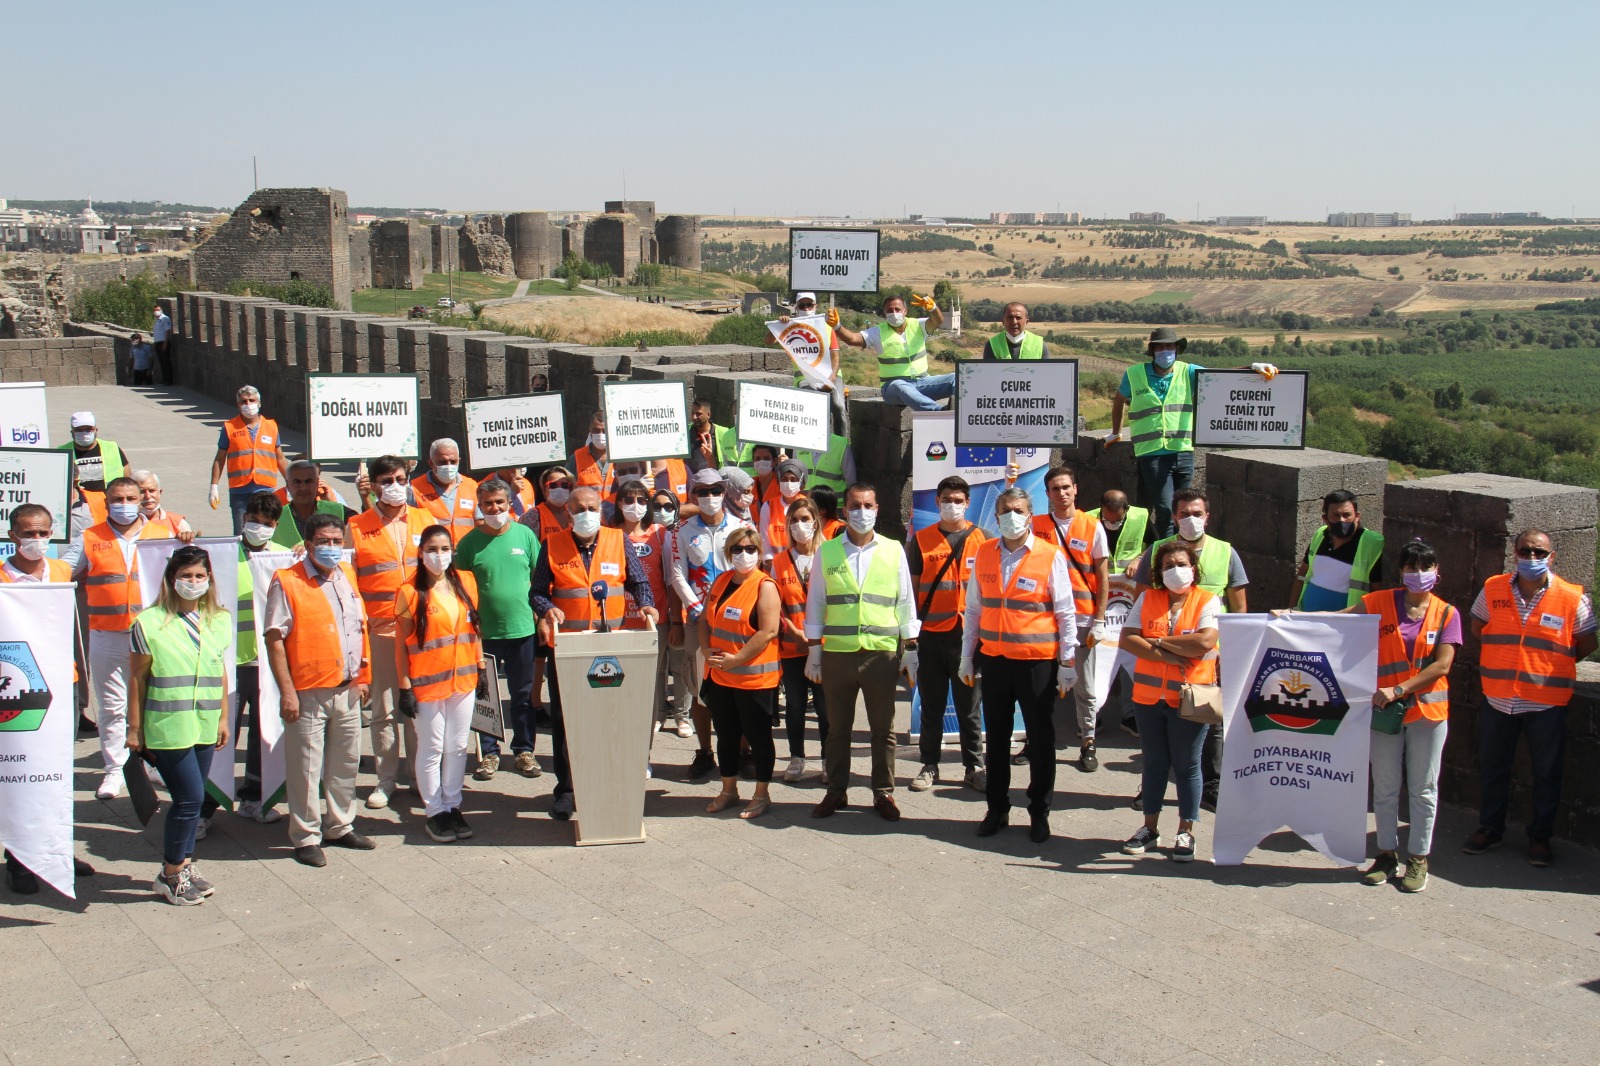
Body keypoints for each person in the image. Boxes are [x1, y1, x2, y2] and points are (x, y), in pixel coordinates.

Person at [1328, 539, 1460, 893]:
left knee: (1423, 788)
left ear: (1437, 572)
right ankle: (1387, 854)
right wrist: (1294, 619)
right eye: (1412, 567)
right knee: (1385, 788)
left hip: (1426, 712)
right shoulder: (1381, 602)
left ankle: (1418, 857)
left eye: (1425, 567)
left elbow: (1443, 665)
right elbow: (1341, 620)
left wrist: (1400, 689)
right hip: (1386, 713)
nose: (1419, 574)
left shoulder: (1447, 613)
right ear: (1401, 572)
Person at [1464, 529, 1597, 867]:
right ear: (1515, 552)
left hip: (1545, 701)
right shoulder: (1493, 588)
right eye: (1526, 551)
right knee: (1494, 768)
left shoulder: (1571, 597)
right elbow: (1478, 626)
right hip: (1498, 697)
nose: (1532, 558)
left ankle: (1540, 837)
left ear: (1552, 557)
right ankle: (1490, 829)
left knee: (1546, 773)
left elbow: (1586, 643)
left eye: (1540, 552)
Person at [531, 486, 657, 818]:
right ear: (569, 513)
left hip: (610, 646)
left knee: (610, 719)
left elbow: (639, 582)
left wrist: (646, 605)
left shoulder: (618, 541)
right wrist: (547, 609)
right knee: (566, 722)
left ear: (600, 511)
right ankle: (568, 791)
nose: (586, 513)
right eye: (579, 508)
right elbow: (537, 592)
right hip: (569, 648)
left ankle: (609, 782)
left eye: (591, 507)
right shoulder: (552, 544)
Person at [960, 488, 1078, 842]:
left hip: (1037, 664)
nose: (1011, 516)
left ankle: (1039, 812)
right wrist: (967, 656)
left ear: (1030, 514)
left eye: (1019, 510)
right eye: (1005, 510)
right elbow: (975, 611)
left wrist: (1068, 662)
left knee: (1041, 740)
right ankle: (997, 809)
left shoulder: (1049, 555)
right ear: (996, 517)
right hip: (995, 661)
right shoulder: (983, 553)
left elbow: (1065, 612)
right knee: (995, 739)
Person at [262, 512, 375, 868]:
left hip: (347, 688)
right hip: (308, 691)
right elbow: (275, 639)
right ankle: (306, 835)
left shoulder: (347, 575)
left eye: (336, 541)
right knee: (306, 767)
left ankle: (340, 824)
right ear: (308, 545)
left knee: (345, 762)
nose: (331, 548)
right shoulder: (287, 581)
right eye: (323, 542)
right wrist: (287, 691)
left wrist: (363, 676)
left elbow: (359, 629)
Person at [805, 482, 918, 821]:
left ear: (877, 508)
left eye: (868, 505)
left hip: (881, 655)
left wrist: (910, 648)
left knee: (883, 729)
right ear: (844, 511)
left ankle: (883, 792)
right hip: (838, 654)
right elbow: (816, 603)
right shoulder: (827, 552)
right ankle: (836, 791)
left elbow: (904, 602)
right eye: (855, 506)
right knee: (837, 728)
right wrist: (814, 651)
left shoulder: (894, 550)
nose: (862, 512)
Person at [127, 545, 232, 905]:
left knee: (194, 795)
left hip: (203, 723)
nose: (193, 582)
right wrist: (134, 729)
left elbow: (219, 670)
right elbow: (137, 678)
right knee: (190, 799)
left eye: (200, 576)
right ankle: (170, 874)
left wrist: (222, 716)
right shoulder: (148, 622)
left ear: (209, 580)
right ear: (172, 580)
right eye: (186, 576)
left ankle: (184, 864)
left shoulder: (219, 619)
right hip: (167, 724)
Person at [1132, 487, 1248, 809]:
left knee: (1208, 721)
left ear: (1207, 516)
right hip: (1160, 657)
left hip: (1210, 656)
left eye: (1197, 513)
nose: (1191, 519)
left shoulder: (1226, 552)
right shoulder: (1157, 550)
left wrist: (1233, 651)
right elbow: (1140, 600)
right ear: (1174, 517)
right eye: (1184, 514)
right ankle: (1150, 787)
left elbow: (1239, 608)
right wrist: (1155, 644)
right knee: (1157, 729)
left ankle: (1211, 785)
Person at [1, 504, 97, 893]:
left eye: (43, 533)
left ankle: (56, 849)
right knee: (20, 773)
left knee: (58, 770)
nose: (37, 540)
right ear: (13, 537)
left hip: (63, 684)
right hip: (19, 689)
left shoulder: (60, 571)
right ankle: (20, 859)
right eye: (29, 533)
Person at [1108, 327, 1277, 537]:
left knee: (1185, 510)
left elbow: (1217, 378)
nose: (1165, 351)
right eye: (1160, 346)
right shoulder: (1134, 374)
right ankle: (1167, 556)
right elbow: (1119, 401)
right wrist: (1116, 432)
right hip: (1152, 453)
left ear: (1177, 349)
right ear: (1152, 351)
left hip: (1183, 451)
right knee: (1165, 510)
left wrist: (1251, 368)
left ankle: (1183, 554)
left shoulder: (1187, 371)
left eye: (1169, 346)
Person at [1119, 540, 1220, 863]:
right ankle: (1149, 827)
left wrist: (1158, 641)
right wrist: (1170, 652)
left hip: (1190, 698)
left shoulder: (1208, 600)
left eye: (1181, 563)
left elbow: (1204, 642)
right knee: (1154, 764)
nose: (1175, 570)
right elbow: (1128, 639)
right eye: (1167, 566)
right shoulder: (1148, 598)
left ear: (1193, 567)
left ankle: (1185, 831)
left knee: (1188, 765)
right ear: (1160, 573)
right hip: (1149, 698)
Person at [346, 455, 431, 809]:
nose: (394, 486)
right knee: (383, 709)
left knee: (417, 707)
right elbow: (349, 581)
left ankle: (418, 777)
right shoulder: (357, 525)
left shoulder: (425, 520)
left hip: (419, 629)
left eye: (399, 478)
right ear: (374, 485)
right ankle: (385, 779)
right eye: (386, 480)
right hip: (378, 629)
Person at [72, 476, 163, 799]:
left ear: (141, 501)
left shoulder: (160, 534)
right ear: (107, 502)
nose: (123, 504)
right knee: (112, 706)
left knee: (152, 703)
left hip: (149, 636)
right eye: (116, 498)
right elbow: (61, 572)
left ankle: (152, 764)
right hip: (106, 635)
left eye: (130, 498)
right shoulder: (88, 537)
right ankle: (115, 770)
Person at [199, 491, 285, 832]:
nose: (258, 528)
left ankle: (253, 797)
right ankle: (204, 810)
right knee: (219, 736)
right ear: (243, 518)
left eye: (266, 524)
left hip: (265, 664)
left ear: (275, 526)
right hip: (228, 665)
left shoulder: (282, 558)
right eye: (253, 521)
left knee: (263, 735)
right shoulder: (221, 555)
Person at [396, 525, 485, 843]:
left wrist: (481, 665)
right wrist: (404, 686)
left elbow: (474, 628)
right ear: (420, 553)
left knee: (458, 747)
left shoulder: (465, 583)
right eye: (432, 549)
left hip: (463, 681)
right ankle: (434, 811)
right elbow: (400, 645)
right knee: (432, 748)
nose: (439, 555)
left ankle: (452, 805)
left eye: (445, 548)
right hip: (427, 685)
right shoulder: (409, 592)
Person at [668, 468, 753, 780]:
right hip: (698, 620)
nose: (710, 497)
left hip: (736, 620)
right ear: (693, 496)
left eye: (715, 490)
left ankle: (744, 751)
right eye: (702, 492)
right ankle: (705, 752)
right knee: (700, 687)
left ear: (724, 492)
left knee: (739, 684)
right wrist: (694, 607)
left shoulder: (741, 527)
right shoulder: (682, 531)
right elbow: (677, 573)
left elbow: (750, 569)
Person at [457, 478, 543, 781]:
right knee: (485, 698)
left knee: (522, 696)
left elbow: (539, 580)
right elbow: (459, 589)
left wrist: (540, 617)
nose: (494, 508)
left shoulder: (525, 536)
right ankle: (489, 753)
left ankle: (523, 750)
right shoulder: (468, 544)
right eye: (488, 504)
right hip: (484, 635)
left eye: (499, 503)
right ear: (479, 507)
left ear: (510, 505)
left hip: (522, 630)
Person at [909, 476, 988, 792]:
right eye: (945, 499)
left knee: (970, 707)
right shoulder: (921, 539)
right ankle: (930, 765)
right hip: (931, 636)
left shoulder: (983, 539)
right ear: (937, 501)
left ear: (967, 503)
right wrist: (911, 639)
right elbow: (911, 591)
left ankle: (974, 766)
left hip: (969, 638)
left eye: (957, 500)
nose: (951, 505)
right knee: (932, 706)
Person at [698, 526, 781, 819]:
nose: (744, 554)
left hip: (753, 678)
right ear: (728, 552)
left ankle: (761, 793)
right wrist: (706, 650)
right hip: (720, 676)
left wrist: (737, 660)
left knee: (758, 737)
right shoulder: (720, 581)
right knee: (726, 735)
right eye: (737, 549)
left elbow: (768, 631)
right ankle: (728, 789)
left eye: (750, 549)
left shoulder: (764, 585)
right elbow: (704, 621)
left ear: (759, 553)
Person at [1031, 466, 1109, 771]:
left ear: (1075, 489)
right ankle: (1036, 741)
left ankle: (1088, 741)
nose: (1061, 494)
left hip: (1081, 619)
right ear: (1047, 494)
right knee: (1040, 684)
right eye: (1055, 489)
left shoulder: (1092, 526)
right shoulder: (1036, 525)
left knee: (1084, 685)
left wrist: (1100, 619)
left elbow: (1102, 577)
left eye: (1066, 487)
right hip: (1043, 620)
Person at [834, 293, 950, 410]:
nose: (894, 313)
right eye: (890, 310)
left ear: (905, 311)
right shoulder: (878, 332)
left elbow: (937, 320)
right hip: (892, 388)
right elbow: (852, 338)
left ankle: (965, 411)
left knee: (956, 379)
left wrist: (933, 308)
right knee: (900, 386)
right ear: (885, 313)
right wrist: (837, 326)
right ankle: (939, 411)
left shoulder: (917, 325)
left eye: (897, 309)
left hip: (922, 382)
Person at [208, 385, 290, 536]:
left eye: (251, 400)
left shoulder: (271, 426)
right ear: (238, 405)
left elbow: (280, 458)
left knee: (265, 531)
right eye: (243, 402)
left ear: (259, 403)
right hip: (240, 490)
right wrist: (214, 486)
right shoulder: (229, 427)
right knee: (241, 533)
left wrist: (290, 482)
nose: (248, 405)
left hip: (265, 488)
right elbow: (219, 459)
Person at [648, 487, 693, 739]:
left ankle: (681, 716)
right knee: (657, 667)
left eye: (668, 506)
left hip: (678, 614)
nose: (662, 511)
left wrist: (677, 621)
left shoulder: (682, 532)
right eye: (657, 506)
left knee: (679, 666)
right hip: (655, 613)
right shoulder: (647, 535)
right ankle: (658, 714)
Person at [1293, 490, 1384, 610]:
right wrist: (1292, 608)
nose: (1342, 520)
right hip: (1306, 617)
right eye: (1335, 516)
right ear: (1325, 518)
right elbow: (1302, 573)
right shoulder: (1320, 535)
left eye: (1347, 515)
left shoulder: (1372, 543)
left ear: (1357, 516)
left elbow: (1380, 593)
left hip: (1346, 624)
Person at [773, 292, 847, 436]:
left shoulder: (826, 326)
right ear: (796, 307)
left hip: (831, 376)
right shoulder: (790, 327)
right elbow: (769, 340)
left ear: (815, 306)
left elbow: (835, 355)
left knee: (839, 407)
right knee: (813, 410)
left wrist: (831, 378)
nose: (806, 308)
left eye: (809, 305)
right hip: (805, 378)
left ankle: (842, 446)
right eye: (802, 305)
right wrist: (780, 324)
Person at [271, 460, 357, 549]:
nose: (303, 488)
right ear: (287, 485)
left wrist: (364, 497)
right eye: (297, 482)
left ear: (317, 483)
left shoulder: (341, 512)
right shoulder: (274, 517)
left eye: (308, 481)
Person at [409, 439, 478, 546]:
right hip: (433, 555)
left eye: (453, 461)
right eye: (443, 462)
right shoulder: (414, 489)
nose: (449, 466)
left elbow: (480, 523)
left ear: (459, 461)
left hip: (465, 554)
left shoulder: (471, 486)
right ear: (431, 463)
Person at [60, 410, 130, 509]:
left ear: (96, 430)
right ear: (72, 432)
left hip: (108, 505)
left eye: (88, 429)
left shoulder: (111, 448)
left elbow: (127, 477)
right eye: (79, 429)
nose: (84, 433)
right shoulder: (62, 451)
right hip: (77, 507)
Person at [1088, 490, 1151, 574]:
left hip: (1131, 579)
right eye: (1106, 520)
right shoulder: (1088, 519)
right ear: (1101, 507)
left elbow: (1155, 545)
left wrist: (1139, 559)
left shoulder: (1140, 517)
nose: (1111, 523)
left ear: (1126, 509)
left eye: (1117, 520)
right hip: (1100, 579)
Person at [758, 458, 806, 561]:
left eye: (793, 479)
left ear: (801, 481)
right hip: (774, 565)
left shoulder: (808, 506)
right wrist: (774, 568)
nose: (788, 483)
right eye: (784, 479)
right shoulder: (768, 506)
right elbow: (764, 542)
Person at [130, 471, 195, 541]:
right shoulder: (124, 524)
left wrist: (190, 539)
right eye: (142, 492)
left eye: (151, 491)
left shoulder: (178, 523)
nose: (148, 496)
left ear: (160, 493)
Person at [523, 466, 574, 544]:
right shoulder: (534, 515)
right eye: (553, 485)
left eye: (564, 485)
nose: (559, 489)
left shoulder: (575, 512)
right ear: (544, 489)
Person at [981, 303, 1049, 361]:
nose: (1014, 322)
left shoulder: (1039, 344)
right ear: (1003, 321)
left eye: (1018, 318)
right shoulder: (992, 345)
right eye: (1010, 317)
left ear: (1026, 322)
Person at [571, 412, 614, 499]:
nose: (600, 434)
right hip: (588, 510)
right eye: (596, 430)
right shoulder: (577, 457)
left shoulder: (620, 456)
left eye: (604, 431)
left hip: (616, 510)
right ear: (590, 431)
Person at [152, 302, 175, 384]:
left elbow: (167, 331)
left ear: (161, 310)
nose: (156, 311)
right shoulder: (156, 321)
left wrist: (165, 343)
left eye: (158, 310)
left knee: (166, 361)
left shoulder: (165, 319)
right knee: (161, 361)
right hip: (158, 343)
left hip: (163, 343)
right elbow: (156, 333)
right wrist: (154, 343)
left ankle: (169, 379)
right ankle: (164, 378)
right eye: (155, 310)